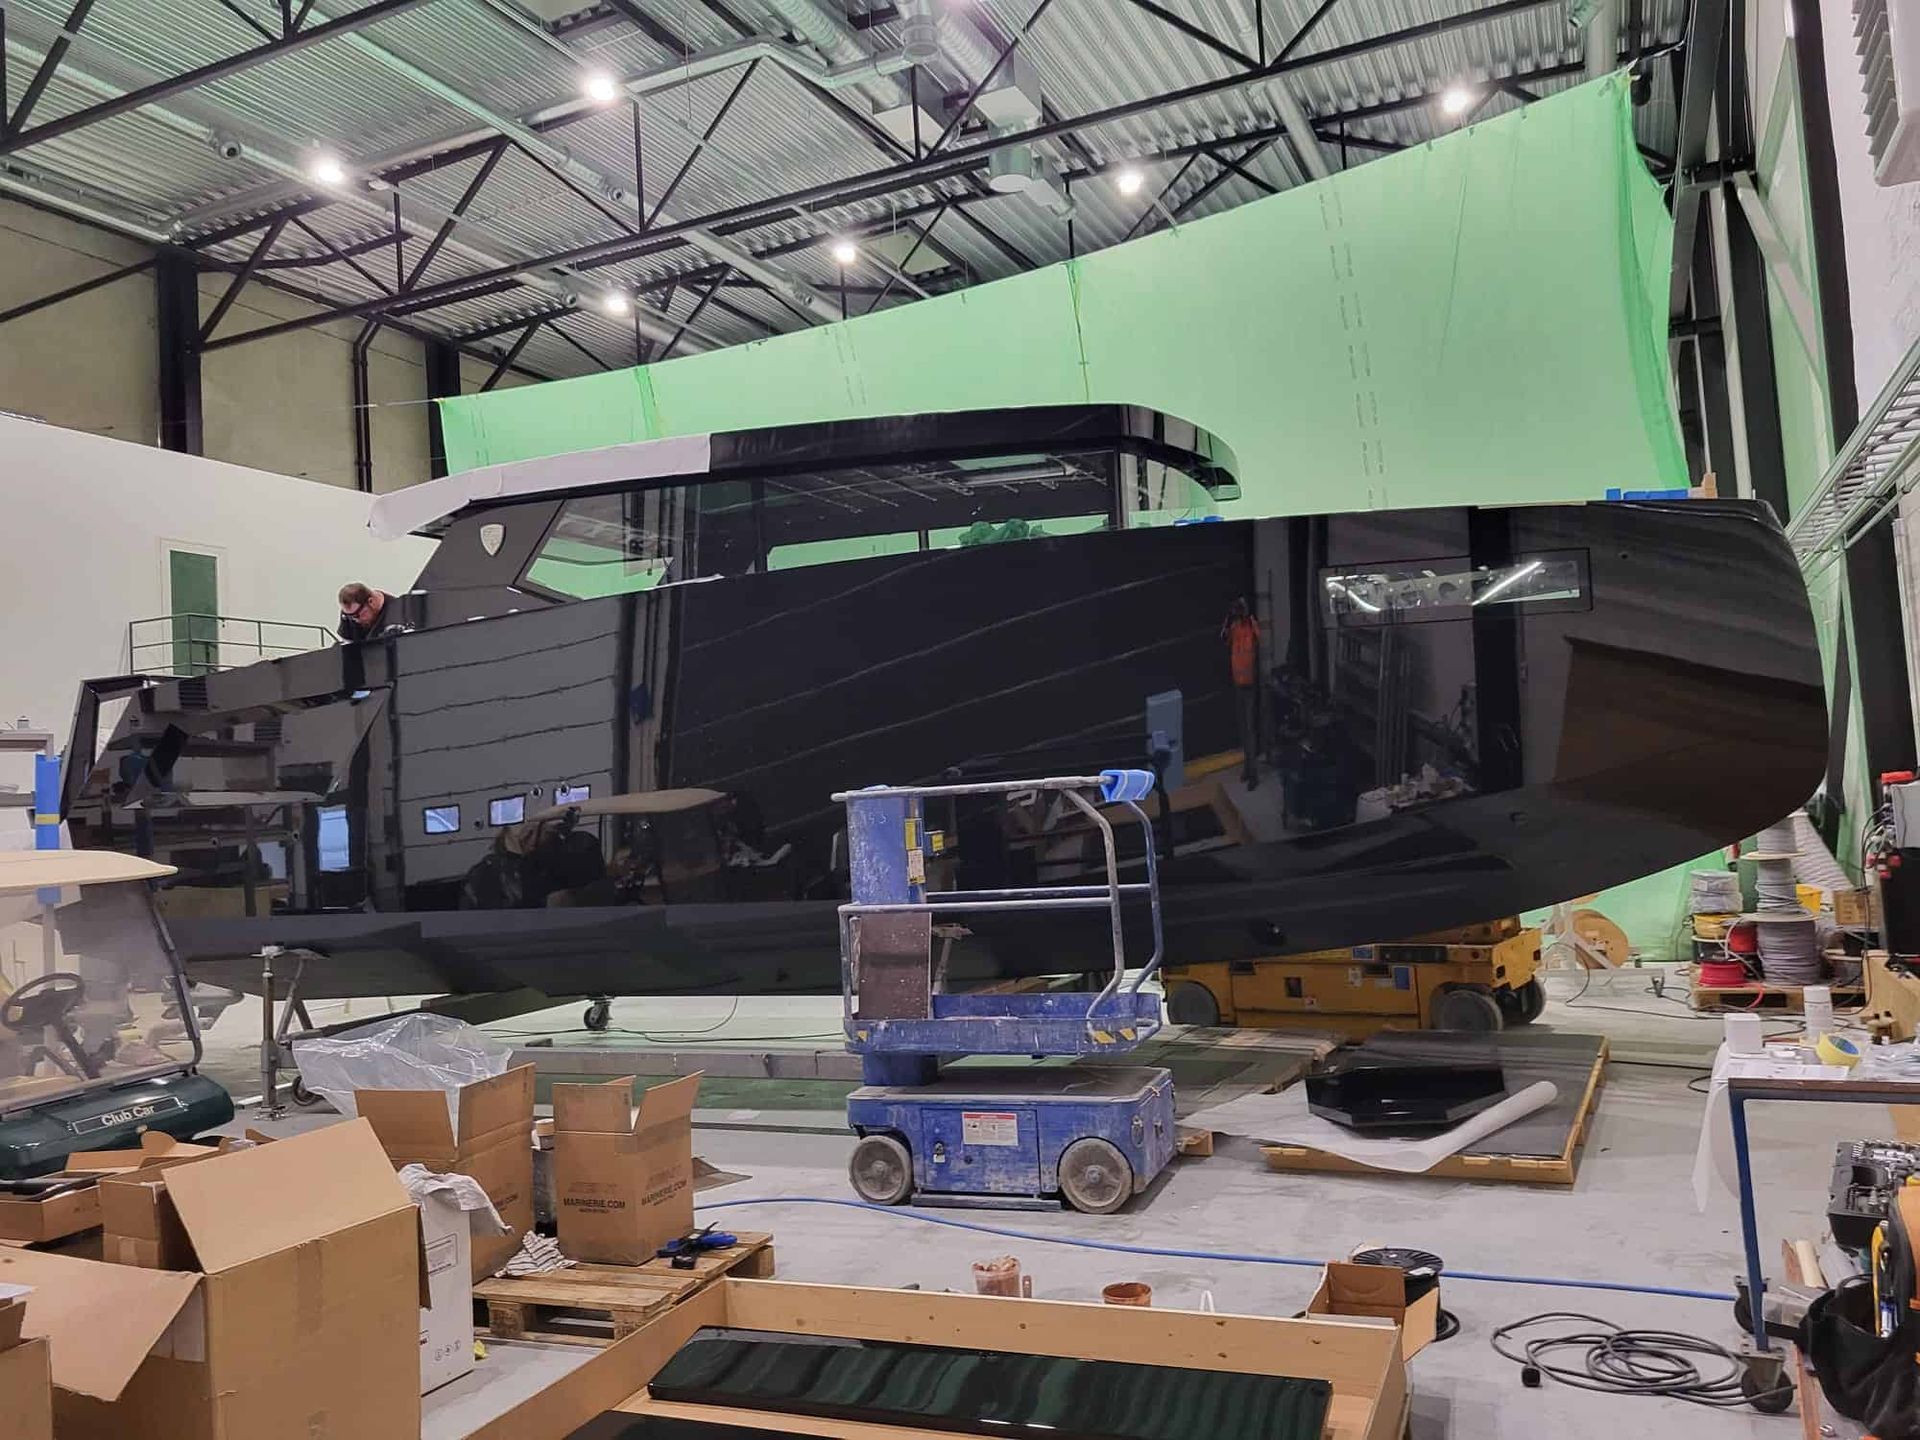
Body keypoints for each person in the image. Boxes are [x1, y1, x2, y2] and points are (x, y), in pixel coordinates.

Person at [1222, 596, 1262, 788]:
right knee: (1243, 729)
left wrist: (1248, 617)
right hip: (1238, 682)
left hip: (1250, 684)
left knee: (1250, 728)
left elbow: (1258, 638)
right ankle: (1248, 767)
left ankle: (1253, 773)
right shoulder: (1235, 626)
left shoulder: (1250, 625)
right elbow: (1224, 638)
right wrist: (1229, 619)